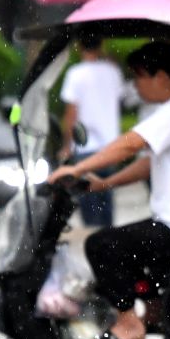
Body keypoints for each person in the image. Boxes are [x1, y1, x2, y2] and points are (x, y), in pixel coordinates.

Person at [47, 41, 170, 339]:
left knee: (102, 246)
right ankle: (155, 317)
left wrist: (77, 166)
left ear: (163, 78)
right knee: (132, 250)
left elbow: (130, 144)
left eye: (140, 76)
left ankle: (129, 326)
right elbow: (147, 162)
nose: (135, 84)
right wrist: (106, 183)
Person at [58, 37, 126, 227]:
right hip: (111, 147)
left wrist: (66, 146)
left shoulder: (75, 74)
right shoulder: (113, 71)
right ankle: (109, 244)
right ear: (101, 44)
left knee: (89, 205)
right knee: (106, 202)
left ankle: (93, 245)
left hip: (86, 146)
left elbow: (71, 113)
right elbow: (119, 101)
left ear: (79, 46)